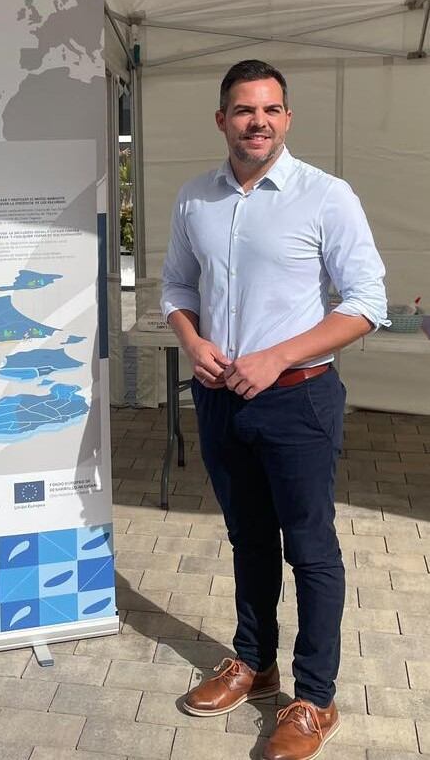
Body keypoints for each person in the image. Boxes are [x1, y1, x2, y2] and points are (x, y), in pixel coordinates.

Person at [161, 60, 388, 760]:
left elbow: (366, 305)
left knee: (311, 552)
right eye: (241, 109)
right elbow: (174, 285)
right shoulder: (194, 199)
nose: (255, 121)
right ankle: (253, 663)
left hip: (297, 400)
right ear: (221, 119)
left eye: (268, 109)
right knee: (248, 540)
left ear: (285, 118)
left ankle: (314, 699)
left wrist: (277, 355)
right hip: (220, 400)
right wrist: (191, 340)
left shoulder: (325, 196)